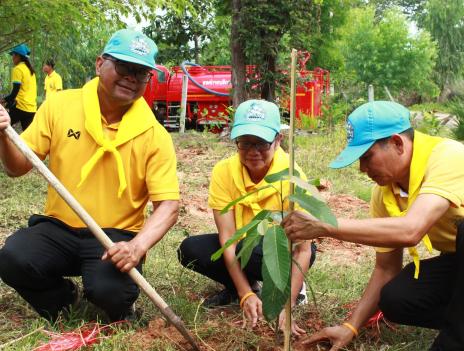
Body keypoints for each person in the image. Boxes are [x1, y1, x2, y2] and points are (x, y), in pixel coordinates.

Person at [0, 29, 179, 323]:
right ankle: (64, 299)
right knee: (13, 259)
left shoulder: (154, 135)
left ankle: (119, 303)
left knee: (111, 293)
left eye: (141, 73)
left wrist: (136, 247)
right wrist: (4, 136)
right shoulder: (60, 106)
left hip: (113, 238)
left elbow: (169, 206)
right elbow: (17, 167)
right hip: (59, 228)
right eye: (123, 67)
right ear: (99, 64)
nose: (132, 78)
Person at [282, 101, 464, 351]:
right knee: (396, 299)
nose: (363, 169)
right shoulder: (384, 193)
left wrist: (325, 225)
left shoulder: (448, 156)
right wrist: (350, 327)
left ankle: (453, 350)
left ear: (397, 143)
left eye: (367, 157)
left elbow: (411, 230)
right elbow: (386, 267)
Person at [178, 99, 316, 334]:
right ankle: (242, 286)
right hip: (242, 246)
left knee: (263, 250)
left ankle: (292, 289)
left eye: (261, 144)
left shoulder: (292, 177)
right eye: (244, 143)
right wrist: (245, 294)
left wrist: (287, 306)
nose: (253, 152)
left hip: (281, 252)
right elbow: (228, 239)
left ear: (278, 140)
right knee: (190, 249)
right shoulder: (224, 171)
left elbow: (303, 249)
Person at [3, 44, 37, 131]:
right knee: (28, 137)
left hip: (20, 107)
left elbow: (15, 91)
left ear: (18, 56)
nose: (12, 57)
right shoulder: (30, 70)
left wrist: (4, 100)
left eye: (13, 55)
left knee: (3, 126)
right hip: (32, 109)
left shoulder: (18, 69)